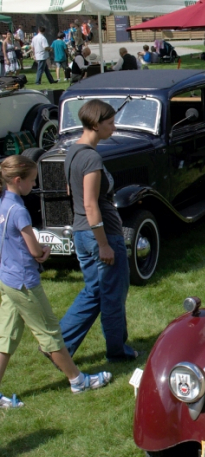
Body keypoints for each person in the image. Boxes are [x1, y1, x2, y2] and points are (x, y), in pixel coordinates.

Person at [0, 155, 113, 408]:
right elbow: (34, 250)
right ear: (18, 181)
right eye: (31, 181)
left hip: (6, 279)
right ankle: (78, 380)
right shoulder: (19, 210)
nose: (34, 185)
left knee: (5, 336)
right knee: (49, 332)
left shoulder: (2, 203)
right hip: (24, 282)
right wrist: (44, 253)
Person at [59, 100, 141, 363]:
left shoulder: (73, 151)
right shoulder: (91, 157)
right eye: (110, 123)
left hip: (82, 234)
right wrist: (104, 244)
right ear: (95, 124)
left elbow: (72, 192)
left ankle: (58, 345)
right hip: (100, 235)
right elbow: (89, 203)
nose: (114, 128)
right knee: (113, 294)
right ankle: (117, 350)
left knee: (94, 291)